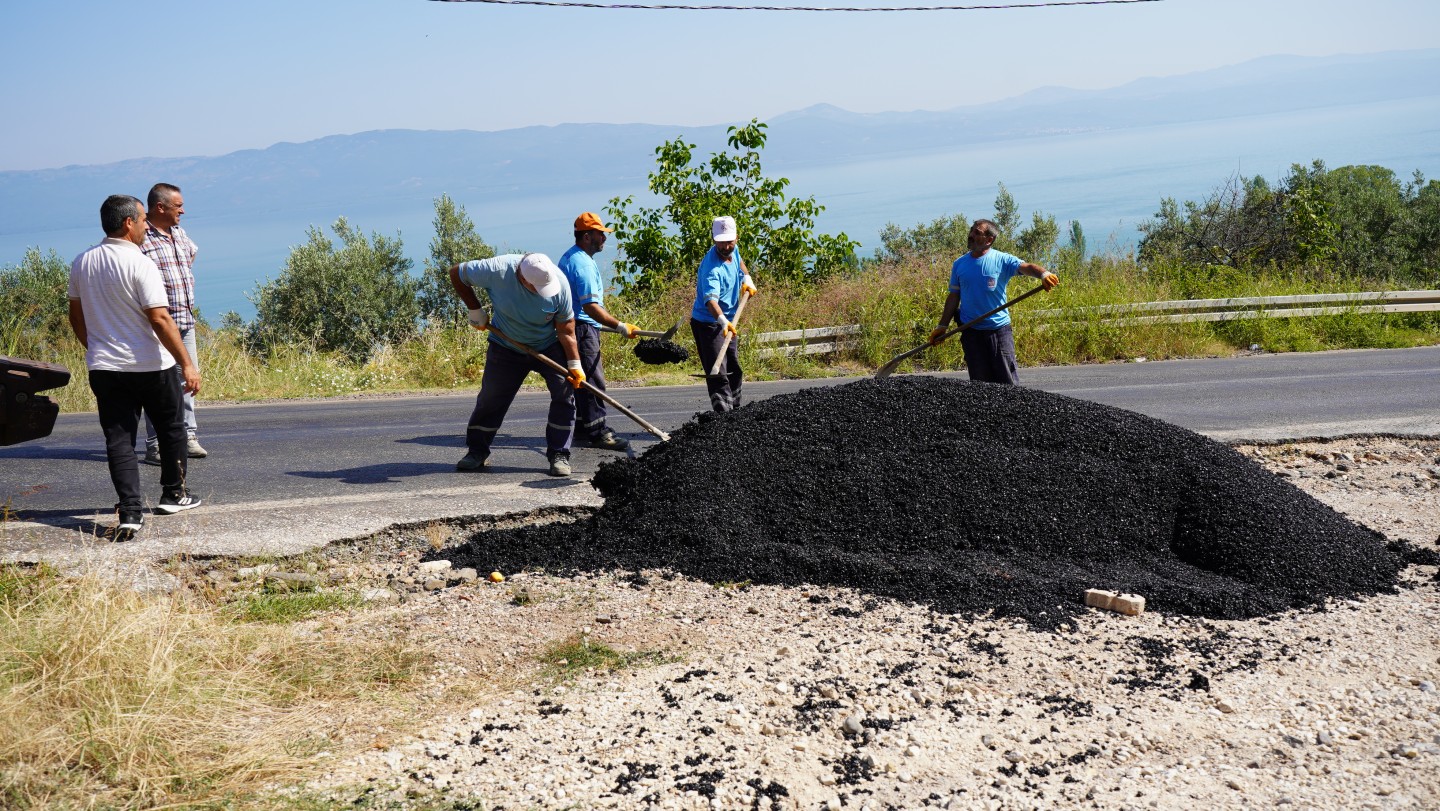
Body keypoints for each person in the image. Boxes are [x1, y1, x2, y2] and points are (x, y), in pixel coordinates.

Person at [68, 195, 204, 541]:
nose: (146, 226)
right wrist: (186, 362)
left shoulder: (82, 262)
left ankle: (129, 513)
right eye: (143, 220)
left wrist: (97, 347)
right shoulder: (141, 264)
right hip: (151, 365)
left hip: (105, 368)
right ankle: (174, 494)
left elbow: (76, 317)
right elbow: (159, 317)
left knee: (119, 440)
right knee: (171, 428)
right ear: (128, 223)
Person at [448, 252, 586, 477]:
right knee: (491, 398)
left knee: (564, 393)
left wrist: (574, 364)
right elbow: (456, 273)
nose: (542, 292)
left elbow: (566, 329)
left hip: (549, 345)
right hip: (506, 344)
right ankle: (477, 452)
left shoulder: (559, 284)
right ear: (522, 278)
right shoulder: (495, 270)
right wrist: (475, 310)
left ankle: (559, 454)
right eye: (536, 288)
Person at [928, 219, 1060, 385]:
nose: (970, 235)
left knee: (1007, 382)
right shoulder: (959, 264)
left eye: (977, 233)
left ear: (989, 240)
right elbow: (954, 296)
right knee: (980, 386)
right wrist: (942, 326)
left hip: (999, 332)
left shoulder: (1001, 260)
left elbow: (1027, 267)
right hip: (971, 333)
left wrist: (1044, 274)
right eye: (971, 230)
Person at [556, 212, 645, 452]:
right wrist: (620, 325)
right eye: (600, 234)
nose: (604, 238)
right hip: (582, 328)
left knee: (581, 381)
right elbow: (590, 307)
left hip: (575, 325)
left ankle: (585, 427)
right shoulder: (583, 264)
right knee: (593, 380)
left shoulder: (572, 257)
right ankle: (598, 433)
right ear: (587, 237)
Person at [138, 182, 206, 463]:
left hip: (184, 320)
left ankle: (187, 436)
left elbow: (191, 253)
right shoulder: (142, 239)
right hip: (157, 325)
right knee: (159, 385)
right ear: (160, 207)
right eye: (178, 206)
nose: (183, 211)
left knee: (188, 380)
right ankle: (156, 444)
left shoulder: (179, 233)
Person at [690, 216, 757, 412]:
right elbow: (711, 301)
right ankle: (723, 418)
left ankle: (736, 410)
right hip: (709, 324)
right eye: (721, 242)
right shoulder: (712, 269)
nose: (726, 246)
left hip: (729, 320)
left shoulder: (733, 251)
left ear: (736, 238)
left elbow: (739, 261)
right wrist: (722, 321)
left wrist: (746, 277)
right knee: (718, 373)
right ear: (714, 239)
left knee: (734, 368)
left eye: (729, 241)